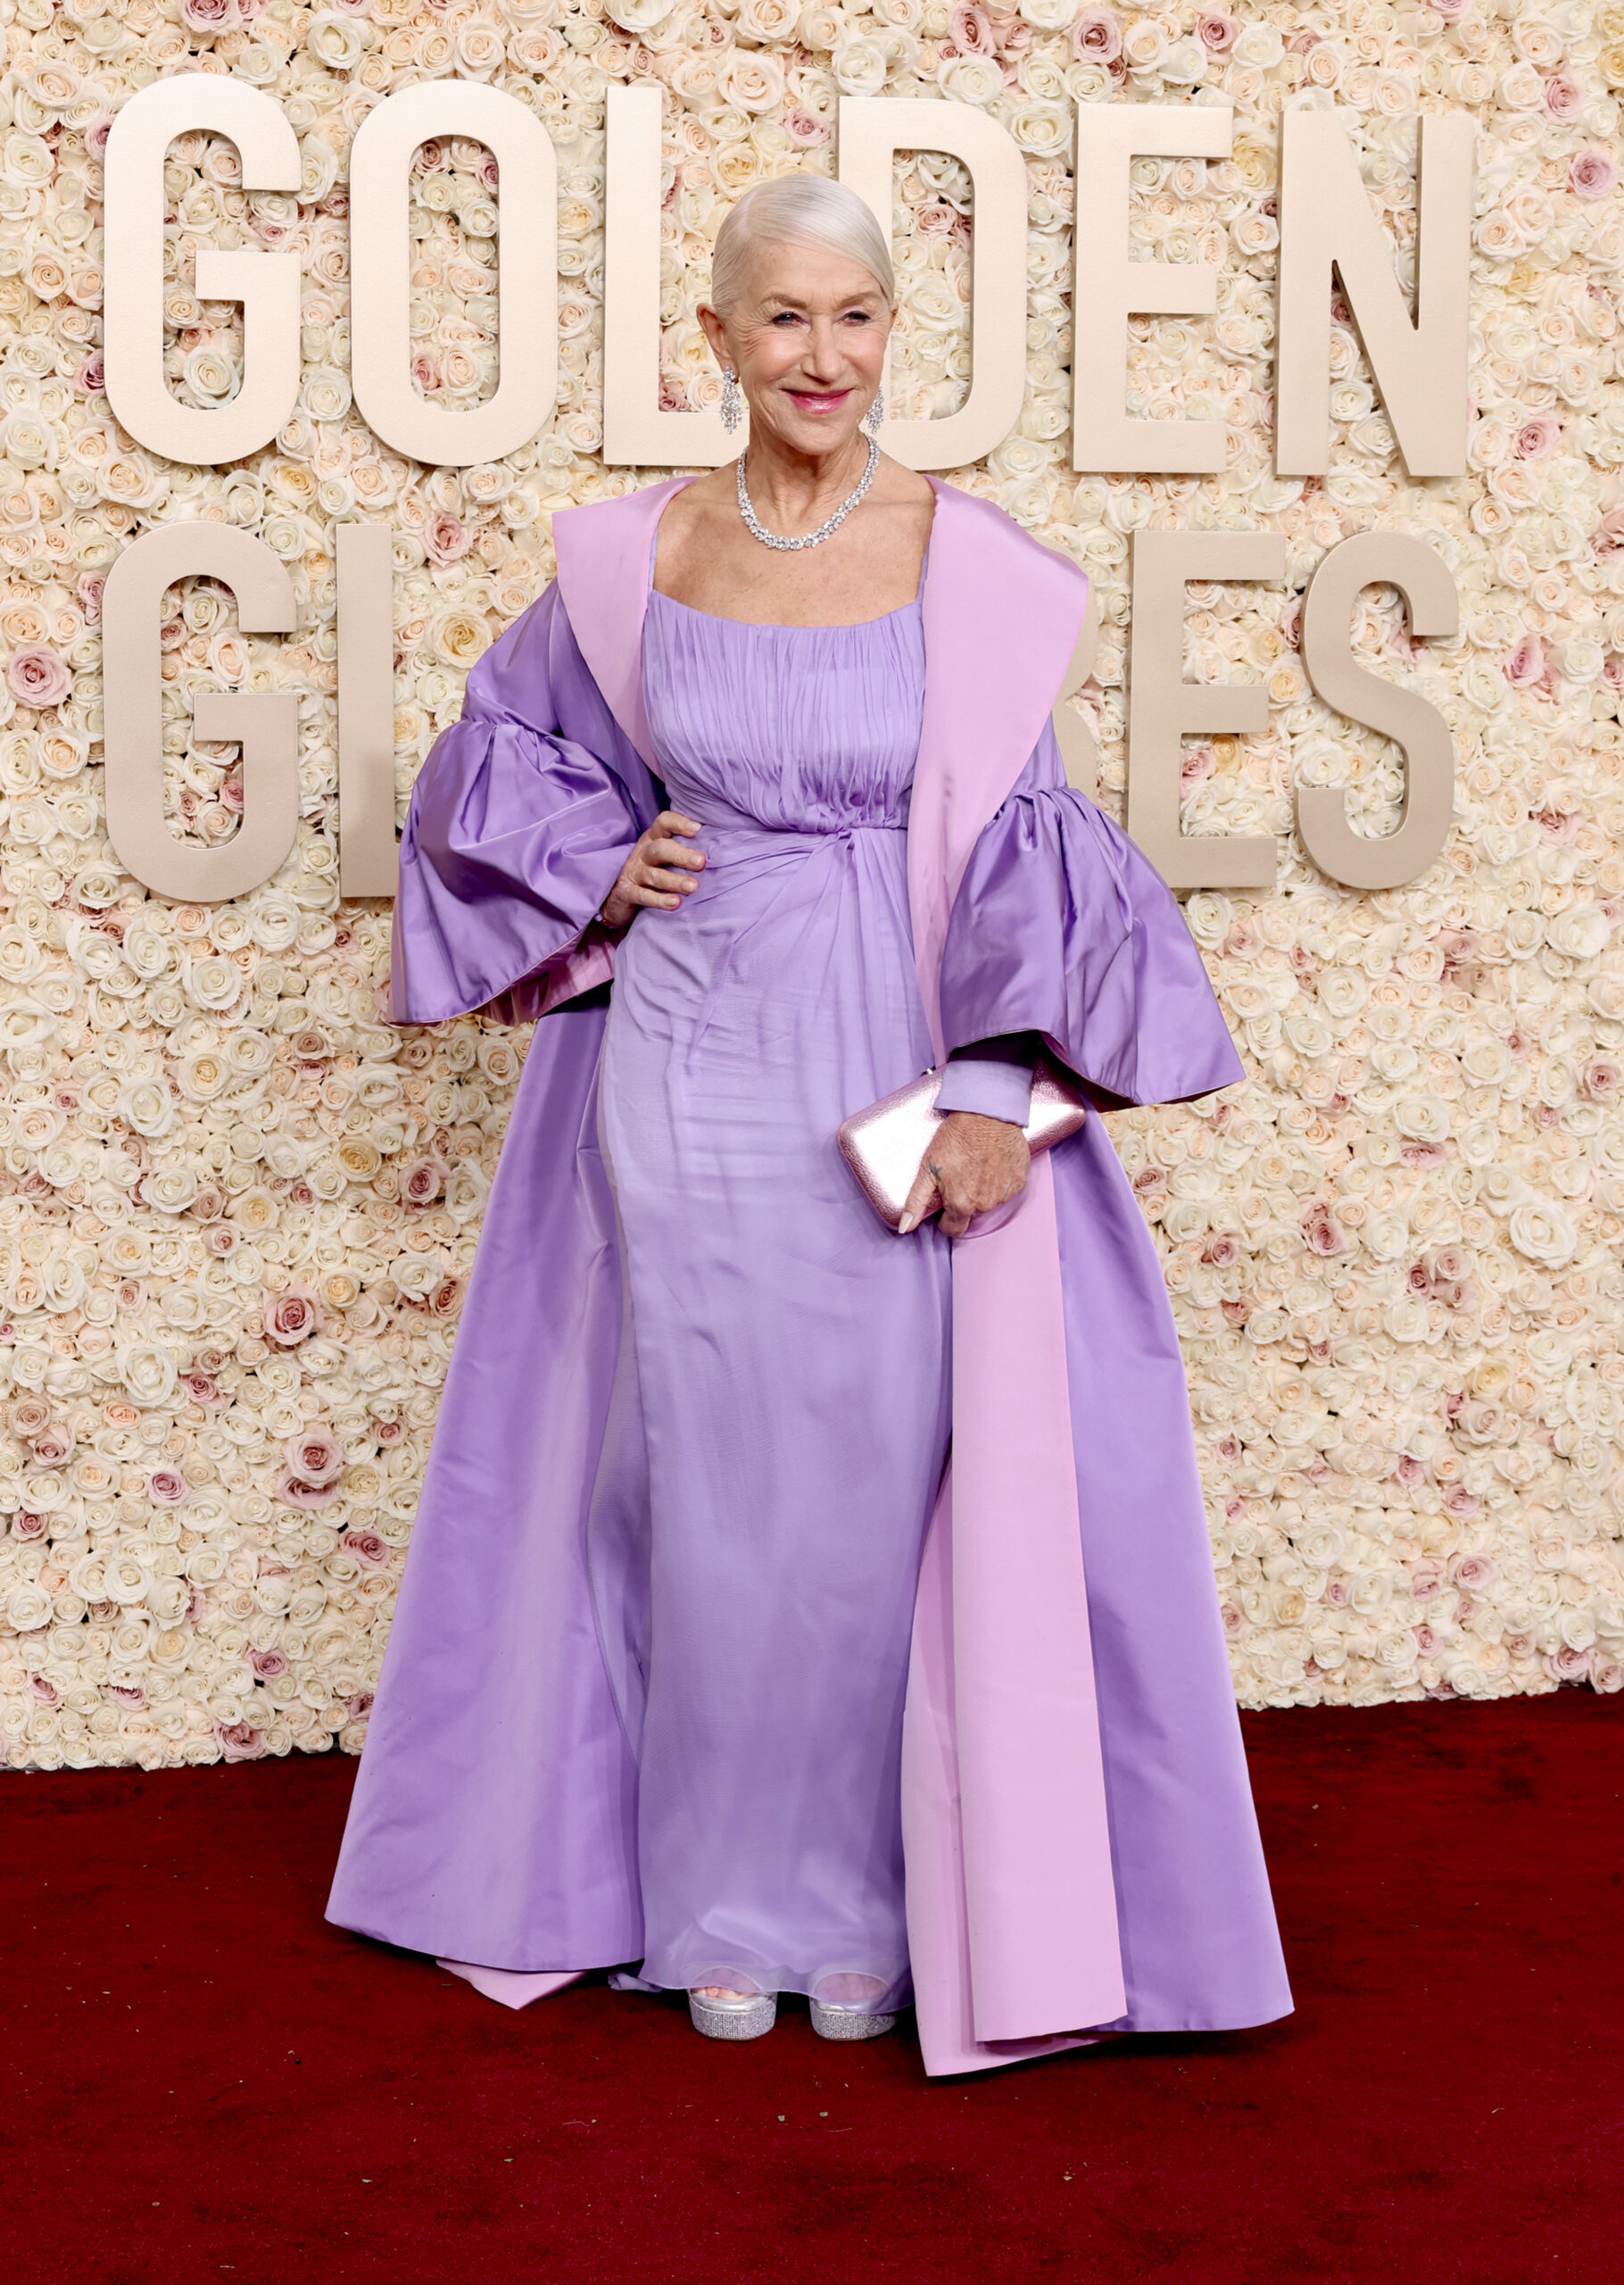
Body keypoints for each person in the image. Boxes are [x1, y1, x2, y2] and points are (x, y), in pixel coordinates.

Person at [327, 175, 1292, 2074]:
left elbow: (1031, 842)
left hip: (894, 1051)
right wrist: (603, 869)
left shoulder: (978, 564)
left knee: (879, 1484)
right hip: (678, 1059)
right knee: (696, 1482)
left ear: (889, 333)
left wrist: (998, 1090)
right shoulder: (631, 557)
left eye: (853, 316)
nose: (820, 355)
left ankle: (866, 1902)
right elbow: (480, 766)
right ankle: (715, 1901)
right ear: (715, 338)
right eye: (781, 317)